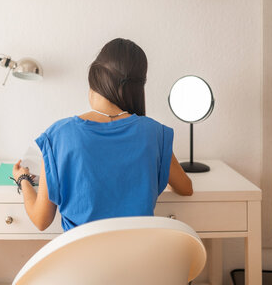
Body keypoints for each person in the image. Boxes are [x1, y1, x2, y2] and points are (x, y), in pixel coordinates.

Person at [11, 38, 193, 232]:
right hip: (139, 259)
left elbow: (41, 220)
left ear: (93, 81)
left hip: (82, 260)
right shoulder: (154, 133)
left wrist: (23, 180)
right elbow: (185, 188)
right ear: (137, 89)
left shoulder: (59, 135)